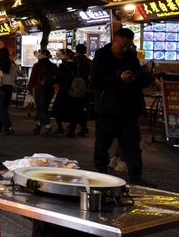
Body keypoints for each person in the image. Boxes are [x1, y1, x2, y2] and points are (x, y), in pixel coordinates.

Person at [91, 28, 154, 186]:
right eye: (123, 45)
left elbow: (139, 78)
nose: (125, 49)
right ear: (114, 40)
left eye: (128, 46)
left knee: (132, 146)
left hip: (128, 109)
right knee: (102, 145)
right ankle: (101, 176)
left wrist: (139, 77)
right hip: (107, 109)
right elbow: (96, 82)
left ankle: (136, 177)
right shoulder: (101, 56)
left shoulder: (130, 57)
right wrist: (119, 78)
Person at [27, 49, 58, 135]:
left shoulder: (37, 65)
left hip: (40, 89)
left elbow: (33, 78)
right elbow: (57, 77)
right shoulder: (53, 66)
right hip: (50, 89)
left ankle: (48, 127)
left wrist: (29, 88)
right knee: (43, 107)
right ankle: (38, 127)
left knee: (41, 108)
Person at [0, 47, 17, 134]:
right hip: (9, 87)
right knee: (4, 107)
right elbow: (15, 76)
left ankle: (7, 126)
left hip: (1, 87)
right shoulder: (12, 65)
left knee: (1, 108)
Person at [53, 48, 79, 136]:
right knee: (73, 110)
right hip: (75, 90)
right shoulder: (75, 64)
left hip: (65, 90)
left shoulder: (63, 65)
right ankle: (72, 129)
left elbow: (60, 78)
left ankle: (60, 128)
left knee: (57, 108)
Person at [72, 43, 91, 136]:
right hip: (86, 85)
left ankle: (80, 127)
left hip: (76, 86)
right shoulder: (88, 60)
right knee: (83, 106)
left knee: (76, 107)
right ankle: (83, 126)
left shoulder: (74, 60)